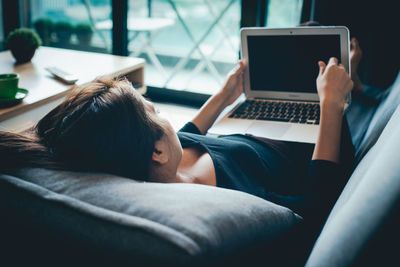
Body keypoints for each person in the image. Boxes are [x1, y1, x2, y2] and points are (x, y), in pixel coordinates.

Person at [0, 49, 356, 263]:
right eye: (155, 111)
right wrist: (330, 106)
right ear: (156, 150)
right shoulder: (227, 196)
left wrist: (224, 95)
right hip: (315, 148)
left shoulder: (149, 160)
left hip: (254, 134)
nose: (162, 117)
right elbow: (316, 204)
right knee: (320, 46)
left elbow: (184, 136)